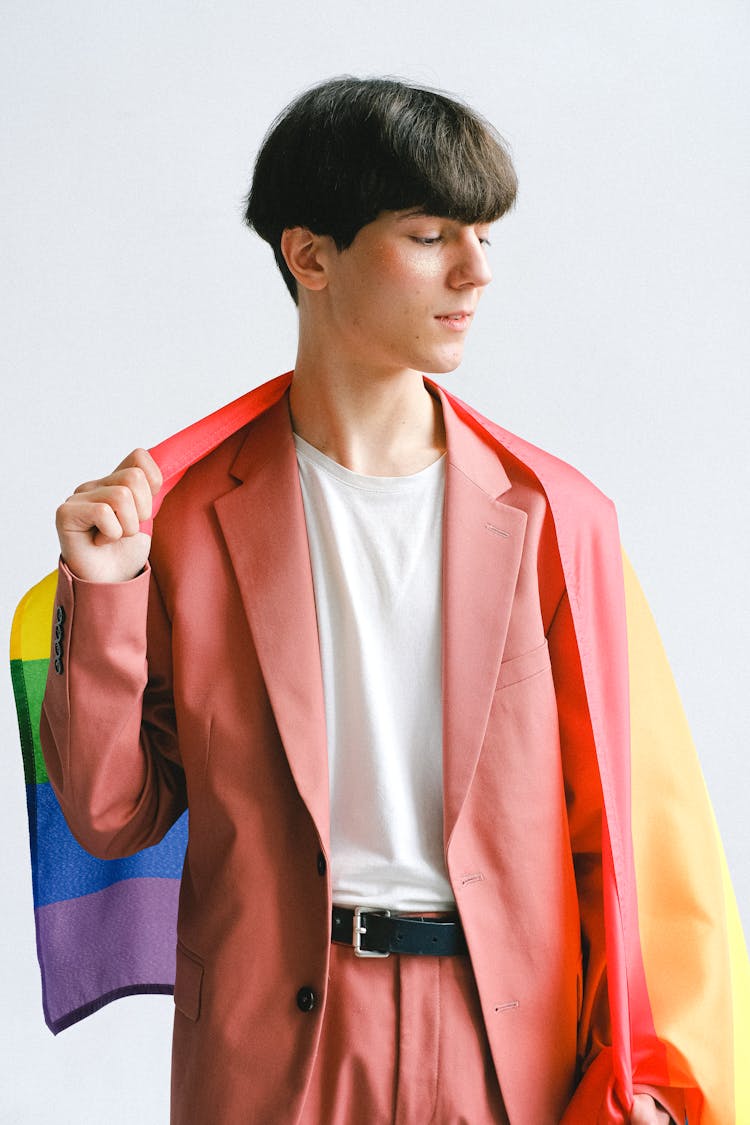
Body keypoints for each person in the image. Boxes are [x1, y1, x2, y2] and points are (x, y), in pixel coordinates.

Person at [40, 77, 724, 1123]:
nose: (475, 272)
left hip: (504, 1045)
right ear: (310, 257)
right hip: (276, 1051)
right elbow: (110, 813)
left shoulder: (554, 518)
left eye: (485, 237)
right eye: (430, 233)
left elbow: (624, 831)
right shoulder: (176, 523)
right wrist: (108, 591)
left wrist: (644, 1069)